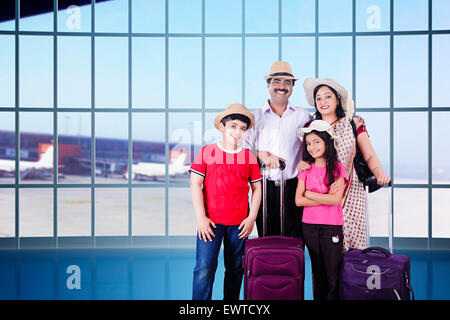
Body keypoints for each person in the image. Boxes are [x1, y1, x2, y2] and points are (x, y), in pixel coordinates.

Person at [300, 78, 391, 252]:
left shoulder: (353, 123)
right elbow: (307, 160)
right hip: (321, 193)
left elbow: (369, 154)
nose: (323, 102)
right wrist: (301, 166)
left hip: (351, 193)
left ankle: (353, 278)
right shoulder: (310, 127)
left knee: (353, 247)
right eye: (318, 98)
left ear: (337, 99)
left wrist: (379, 172)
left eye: (328, 96)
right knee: (326, 252)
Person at [189, 103, 262, 300]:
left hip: (239, 224)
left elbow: (257, 189)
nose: (237, 132)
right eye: (233, 126)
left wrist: (251, 218)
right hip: (210, 223)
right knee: (204, 269)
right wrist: (201, 218)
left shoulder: (249, 157)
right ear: (222, 127)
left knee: (236, 269)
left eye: (242, 128)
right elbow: (195, 184)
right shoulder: (207, 152)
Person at [243, 61, 313, 237]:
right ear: (268, 85)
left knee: (295, 239)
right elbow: (242, 150)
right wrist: (261, 155)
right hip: (263, 188)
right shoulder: (254, 117)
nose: (282, 86)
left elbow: (317, 141)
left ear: (292, 87)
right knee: (266, 238)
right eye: (277, 81)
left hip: (295, 187)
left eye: (287, 82)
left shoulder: (303, 115)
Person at [295, 119, 347, 300]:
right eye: (308, 143)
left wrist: (310, 193)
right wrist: (324, 196)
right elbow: (298, 201)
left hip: (331, 226)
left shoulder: (337, 169)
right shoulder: (305, 169)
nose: (312, 147)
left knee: (333, 271)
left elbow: (335, 200)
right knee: (317, 270)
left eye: (316, 141)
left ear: (328, 142)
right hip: (309, 226)